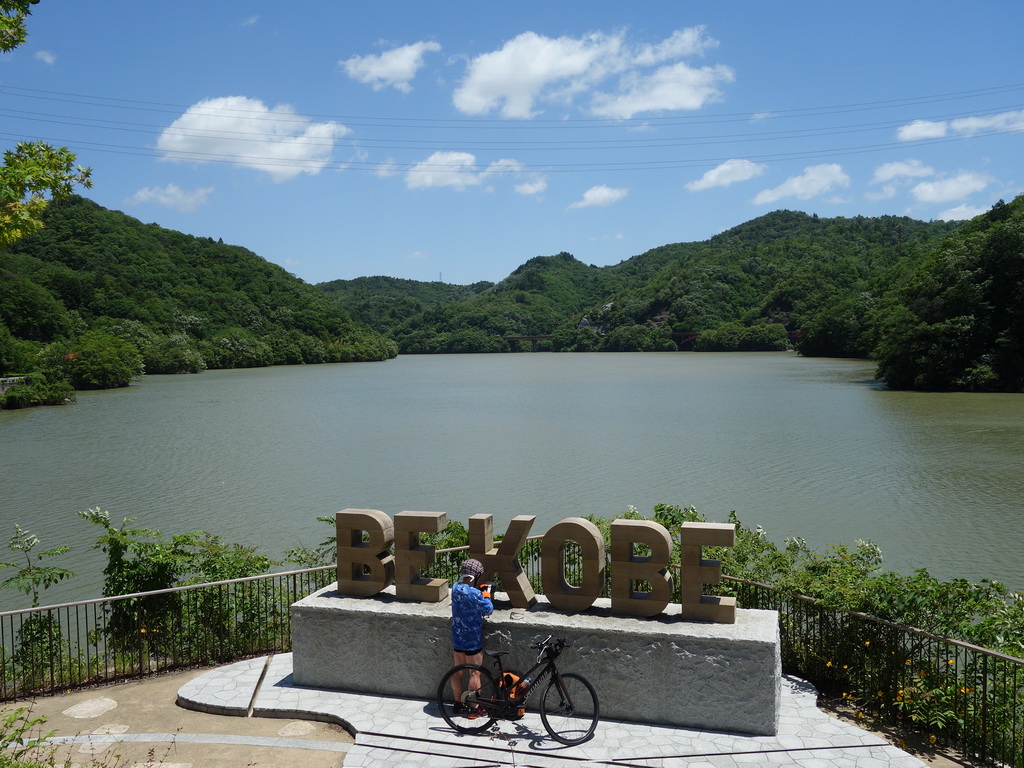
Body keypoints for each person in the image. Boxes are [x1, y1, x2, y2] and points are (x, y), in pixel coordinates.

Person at [449, 557, 494, 712]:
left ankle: (457, 704)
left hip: (457, 638)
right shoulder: (476, 594)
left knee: (457, 671)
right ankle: (474, 706)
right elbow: (488, 609)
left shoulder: (455, 588)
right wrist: (486, 593)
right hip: (472, 640)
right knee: (474, 673)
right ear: (476, 575)